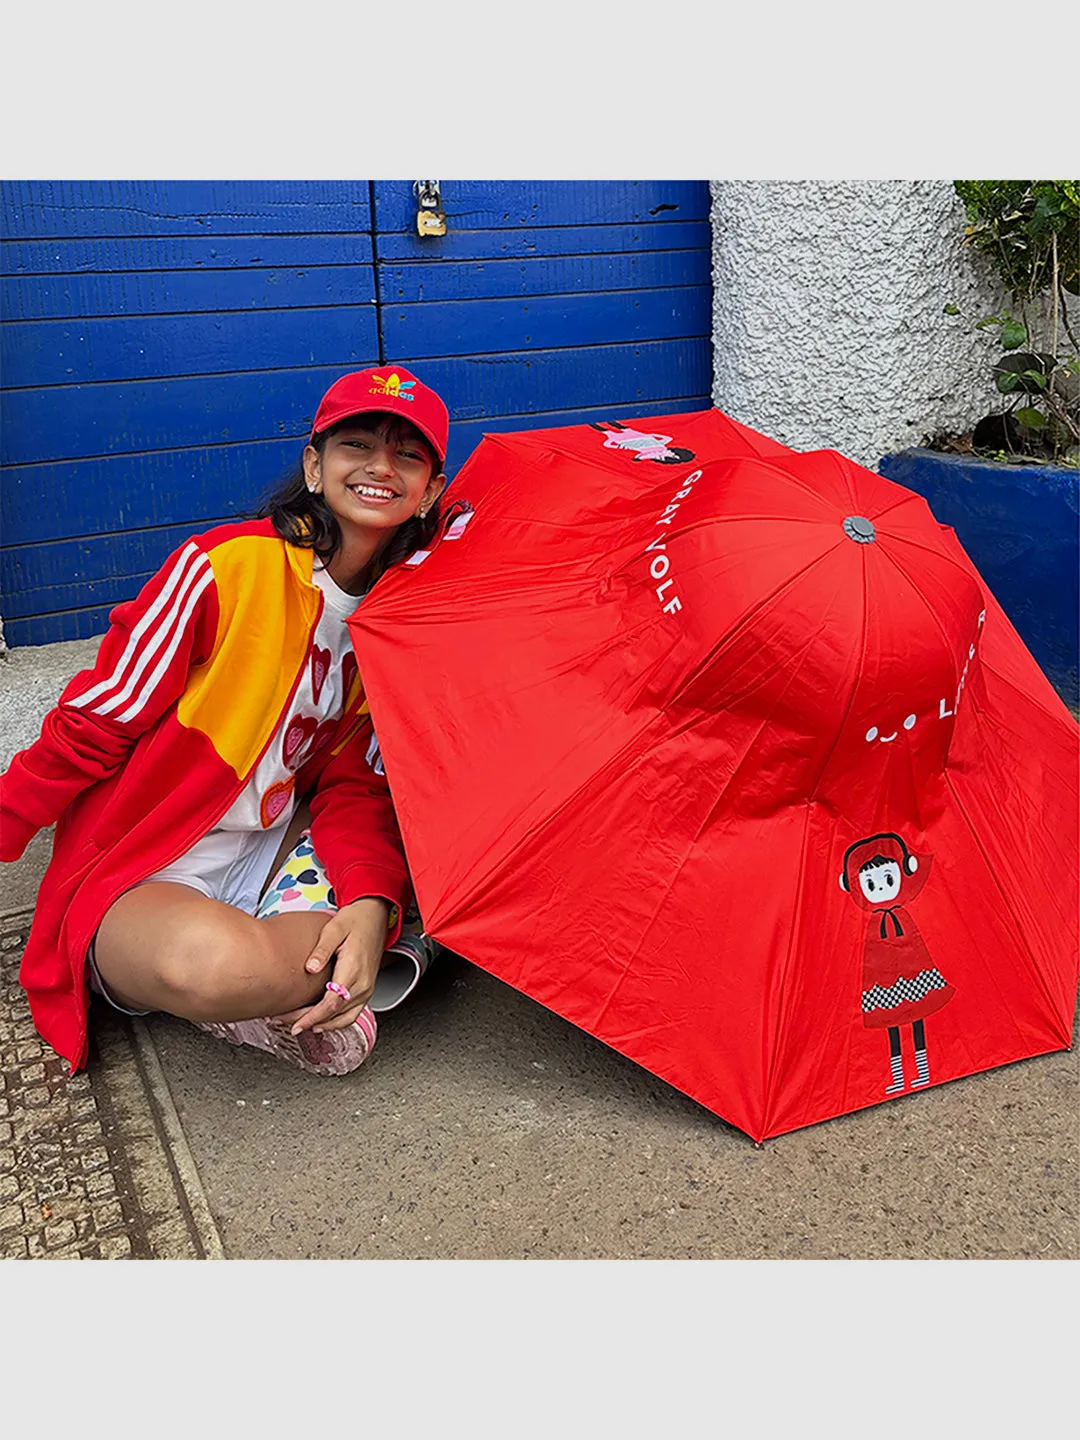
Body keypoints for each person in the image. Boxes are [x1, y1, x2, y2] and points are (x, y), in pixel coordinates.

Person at [0, 365, 450, 1077]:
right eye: (356, 444)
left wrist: (367, 903)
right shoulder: (225, 569)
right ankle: (347, 972)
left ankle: (359, 955)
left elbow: (353, 789)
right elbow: (95, 720)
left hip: (277, 852)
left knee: (415, 864)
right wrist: (7, 819)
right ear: (314, 464)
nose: (379, 468)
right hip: (146, 868)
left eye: (408, 455)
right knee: (200, 968)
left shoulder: (398, 627)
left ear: (431, 488)